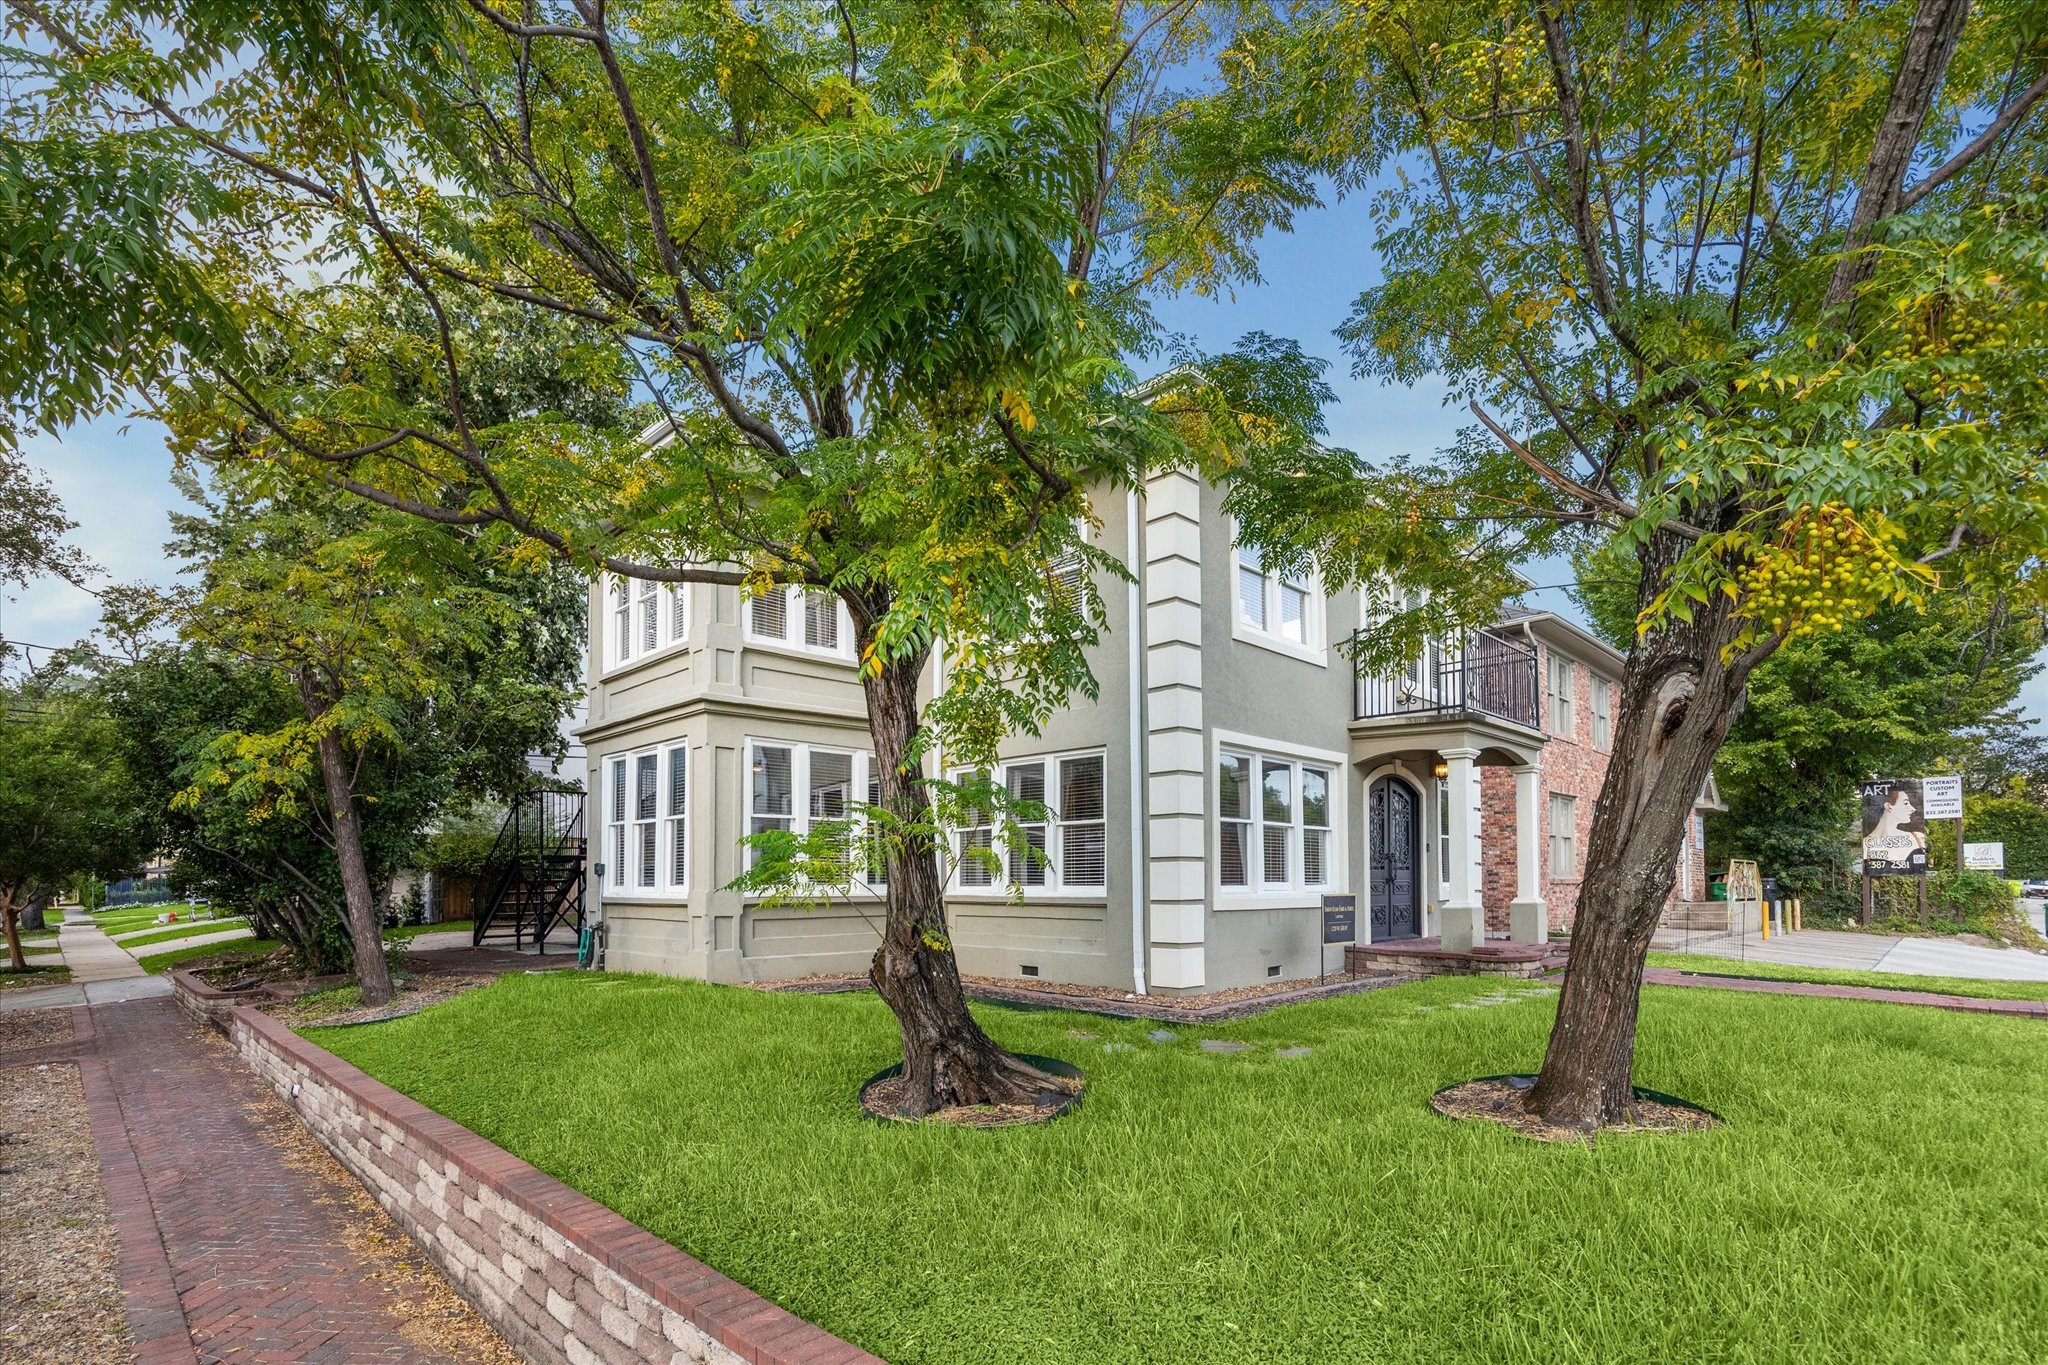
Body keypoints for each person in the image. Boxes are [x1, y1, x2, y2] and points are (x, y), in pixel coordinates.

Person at [1863, 783, 1927, 871]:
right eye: (1905, 803)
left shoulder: (1917, 838)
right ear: (1888, 806)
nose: (1912, 808)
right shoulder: (1865, 844)